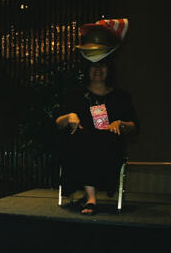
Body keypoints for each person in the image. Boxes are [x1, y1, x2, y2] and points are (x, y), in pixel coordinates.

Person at [55, 57, 138, 215]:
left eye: (102, 65)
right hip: (80, 147)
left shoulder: (121, 96)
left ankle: (89, 196)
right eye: (93, 65)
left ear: (109, 69)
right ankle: (91, 198)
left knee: (96, 141)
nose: (98, 69)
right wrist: (70, 116)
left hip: (110, 148)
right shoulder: (75, 95)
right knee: (83, 139)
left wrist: (120, 123)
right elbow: (58, 123)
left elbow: (134, 127)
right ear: (87, 69)